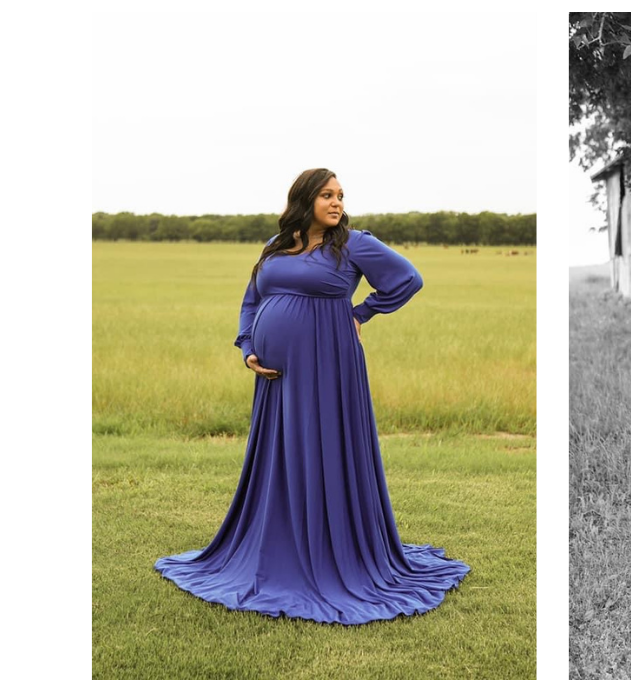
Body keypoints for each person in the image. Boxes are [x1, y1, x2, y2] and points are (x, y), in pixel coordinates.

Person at [155, 168, 469, 625]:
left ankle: (327, 551)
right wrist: (247, 348)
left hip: (329, 365)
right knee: (281, 454)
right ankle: (276, 542)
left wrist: (360, 313)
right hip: (275, 377)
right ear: (304, 199)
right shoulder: (274, 246)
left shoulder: (354, 244)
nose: (337, 202)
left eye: (341, 195)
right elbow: (251, 301)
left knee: (323, 447)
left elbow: (407, 280)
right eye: (327, 195)